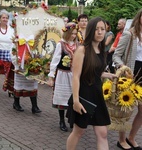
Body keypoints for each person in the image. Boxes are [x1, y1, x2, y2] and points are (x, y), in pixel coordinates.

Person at [66, 17, 117, 150]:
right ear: (90, 31)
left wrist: (109, 75)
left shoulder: (102, 51)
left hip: (97, 95)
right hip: (84, 96)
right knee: (79, 131)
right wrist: (76, 101)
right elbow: (76, 76)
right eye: (97, 29)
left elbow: (94, 72)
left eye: (103, 29)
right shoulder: (82, 50)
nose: (100, 32)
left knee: (103, 133)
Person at [113, 9, 142, 150]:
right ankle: (121, 140)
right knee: (125, 109)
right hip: (130, 74)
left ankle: (131, 137)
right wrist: (123, 66)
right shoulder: (129, 34)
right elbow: (116, 55)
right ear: (139, 17)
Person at [48, 22, 79, 132]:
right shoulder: (61, 44)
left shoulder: (77, 45)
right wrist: (51, 76)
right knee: (62, 98)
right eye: (72, 33)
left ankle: (71, 119)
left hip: (74, 74)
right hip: (62, 74)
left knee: (74, 97)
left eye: (75, 34)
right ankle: (61, 120)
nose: (74, 36)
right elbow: (55, 60)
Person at [11, 34, 42, 114]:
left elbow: (37, 49)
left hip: (31, 64)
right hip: (20, 66)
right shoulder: (17, 38)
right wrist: (16, 65)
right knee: (19, 84)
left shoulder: (34, 37)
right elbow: (13, 52)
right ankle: (16, 103)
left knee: (32, 84)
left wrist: (37, 62)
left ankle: (34, 106)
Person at [0, 9, 14, 96]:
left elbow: (13, 41)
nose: (5, 19)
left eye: (6, 18)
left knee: (8, 71)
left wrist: (13, 52)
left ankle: (9, 88)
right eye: (3, 17)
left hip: (8, 51)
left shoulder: (11, 29)